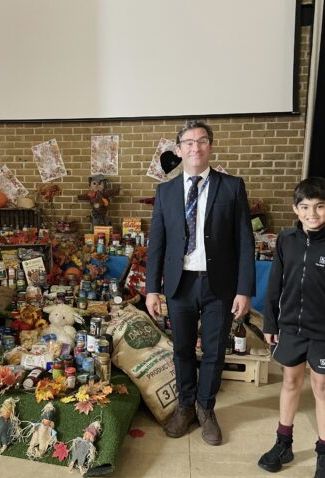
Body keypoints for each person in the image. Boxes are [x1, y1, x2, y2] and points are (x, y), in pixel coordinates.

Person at [145, 120, 255, 446]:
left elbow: (245, 242)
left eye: (202, 141)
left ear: (210, 146)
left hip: (219, 285)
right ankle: (185, 407)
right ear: (179, 150)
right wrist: (152, 288)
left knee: (213, 352)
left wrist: (245, 289)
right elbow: (157, 245)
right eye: (189, 143)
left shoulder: (232, 187)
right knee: (180, 350)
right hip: (180, 284)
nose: (196, 147)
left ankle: (206, 409)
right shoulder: (165, 192)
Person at [258, 177, 325, 477]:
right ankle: (283, 443)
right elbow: (275, 283)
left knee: (321, 387)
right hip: (290, 328)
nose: (313, 214)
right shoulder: (286, 239)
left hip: (323, 332)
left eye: (321, 207)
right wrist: (271, 321)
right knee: (289, 382)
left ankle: (323, 453)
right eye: (306, 207)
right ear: (295, 209)